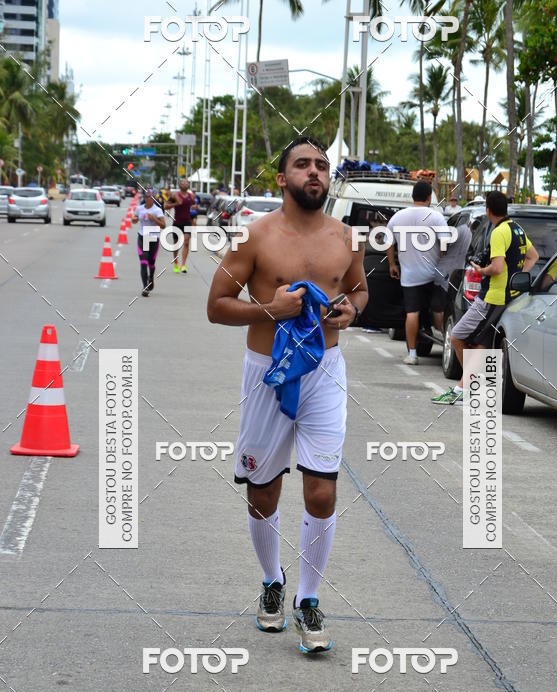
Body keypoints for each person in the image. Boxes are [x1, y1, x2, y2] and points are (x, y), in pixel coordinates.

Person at [207, 136, 368, 654]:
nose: (314, 172)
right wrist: (269, 309)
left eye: (321, 165)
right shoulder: (252, 237)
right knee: (263, 493)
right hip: (267, 373)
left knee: (321, 491)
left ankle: (307, 599)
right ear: (282, 179)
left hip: (326, 370)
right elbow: (217, 305)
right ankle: (272, 583)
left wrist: (352, 311)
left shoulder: (347, 238)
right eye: (303, 164)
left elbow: (360, 289)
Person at [431, 191, 539, 404]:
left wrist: (481, 271)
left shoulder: (499, 233)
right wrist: (516, 279)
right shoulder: (517, 229)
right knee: (480, 342)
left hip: (491, 297)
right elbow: (533, 256)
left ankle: (468, 386)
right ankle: (463, 388)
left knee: (456, 336)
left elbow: (497, 268)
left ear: (488, 210)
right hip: (507, 297)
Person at [385, 180, 452, 365]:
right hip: (434, 274)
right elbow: (445, 245)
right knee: (438, 310)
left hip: (410, 276)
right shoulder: (436, 216)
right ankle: (449, 346)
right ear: (429, 197)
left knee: (412, 313)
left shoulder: (398, 217)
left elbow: (388, 242)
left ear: (413, 196)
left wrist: (392, 264)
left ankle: (412, 355)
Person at [132, 189, 166, 297]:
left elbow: (163, 225)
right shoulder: (140, 209)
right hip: (142, 237)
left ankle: (151, 277)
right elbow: (135, 218)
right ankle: (145, 287)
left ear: (153, 199)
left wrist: (154, 219)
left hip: (153, 238)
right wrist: (135, 219)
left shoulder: (157, 210)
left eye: (151, 197)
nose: (148, 199)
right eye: (147, 197)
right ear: (144, 198)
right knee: (143, 262)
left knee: (151, 263)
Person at [165, 177, 196, 273]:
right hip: (177, 222)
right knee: (176, 245)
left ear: (188, 185)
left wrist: (194, 220)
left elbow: (194, 207)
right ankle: (176, 263)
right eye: (182, 183)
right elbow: (166, 206)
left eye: (186, 183)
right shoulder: (174, 195)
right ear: (180, 185)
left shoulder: (191, 196)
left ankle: (183, 265)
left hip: (187, 222)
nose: (184, 184)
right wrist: (176, 204)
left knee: (186, 242)